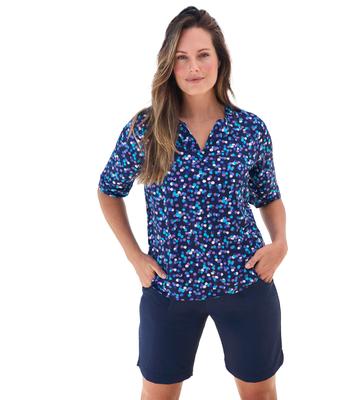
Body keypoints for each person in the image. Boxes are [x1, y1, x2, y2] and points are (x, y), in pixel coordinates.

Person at [97, 6, 288, 400]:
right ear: (169, 64)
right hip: (169, 289)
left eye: (203, 55)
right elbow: (109, 190)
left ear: (220, 60)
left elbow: (268, 196)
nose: (193, 67)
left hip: (245, 284)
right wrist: (134, 256)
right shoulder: (146, 130)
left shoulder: (249, 130)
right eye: (182, 57)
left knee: (260, 394)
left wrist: (280, 243)